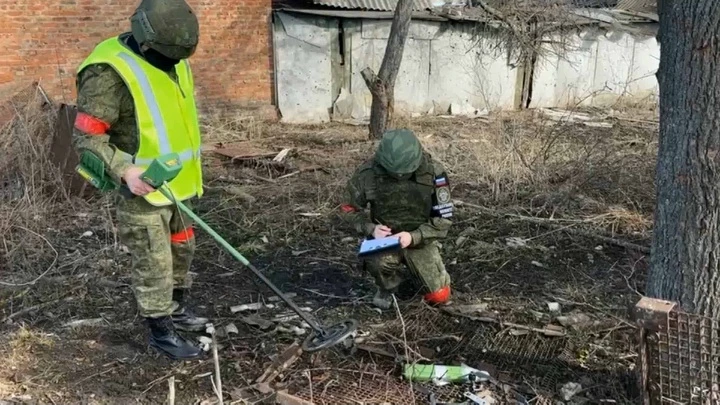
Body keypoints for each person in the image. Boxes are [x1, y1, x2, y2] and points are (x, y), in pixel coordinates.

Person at [72, 0, 207, 360]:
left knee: (182, 248)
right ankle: (160, 331)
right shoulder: (107, 72)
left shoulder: (174, 54)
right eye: (168, 56)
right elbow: (88, 139)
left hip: (177, 185)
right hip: (140, 190)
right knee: (154, 261)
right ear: (145, 40)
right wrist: (125, 170)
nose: (175, 62)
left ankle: (177, 307)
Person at [340, 129, 453, 310]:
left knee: (439, 297)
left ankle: (422, 273)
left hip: (420, 240)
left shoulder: (434, 172)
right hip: (386, 239)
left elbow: (444, 219)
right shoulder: (368, 174)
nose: (400, 176)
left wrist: (414, 236)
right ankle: (388, 287)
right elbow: (347, 209)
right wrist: (370, 229)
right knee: (375, 262)